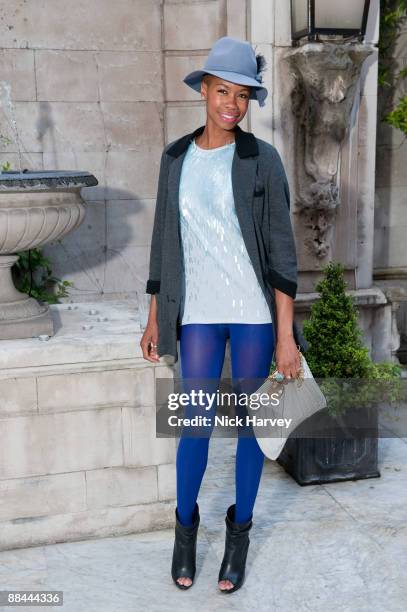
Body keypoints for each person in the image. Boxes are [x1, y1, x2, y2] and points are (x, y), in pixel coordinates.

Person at [140, 36, 302, 594]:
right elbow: (164, 239)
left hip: (255, 312)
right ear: (204, 91)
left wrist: (286, 336)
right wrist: (155, 314)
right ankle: (186, 533)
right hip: (199, 312)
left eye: (242, 94)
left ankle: (239, 536)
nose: (231, 104)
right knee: (195, 427)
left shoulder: (262, 159)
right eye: (222, 91)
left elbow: (283, 253)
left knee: (257, 429)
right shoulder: (175, 158)